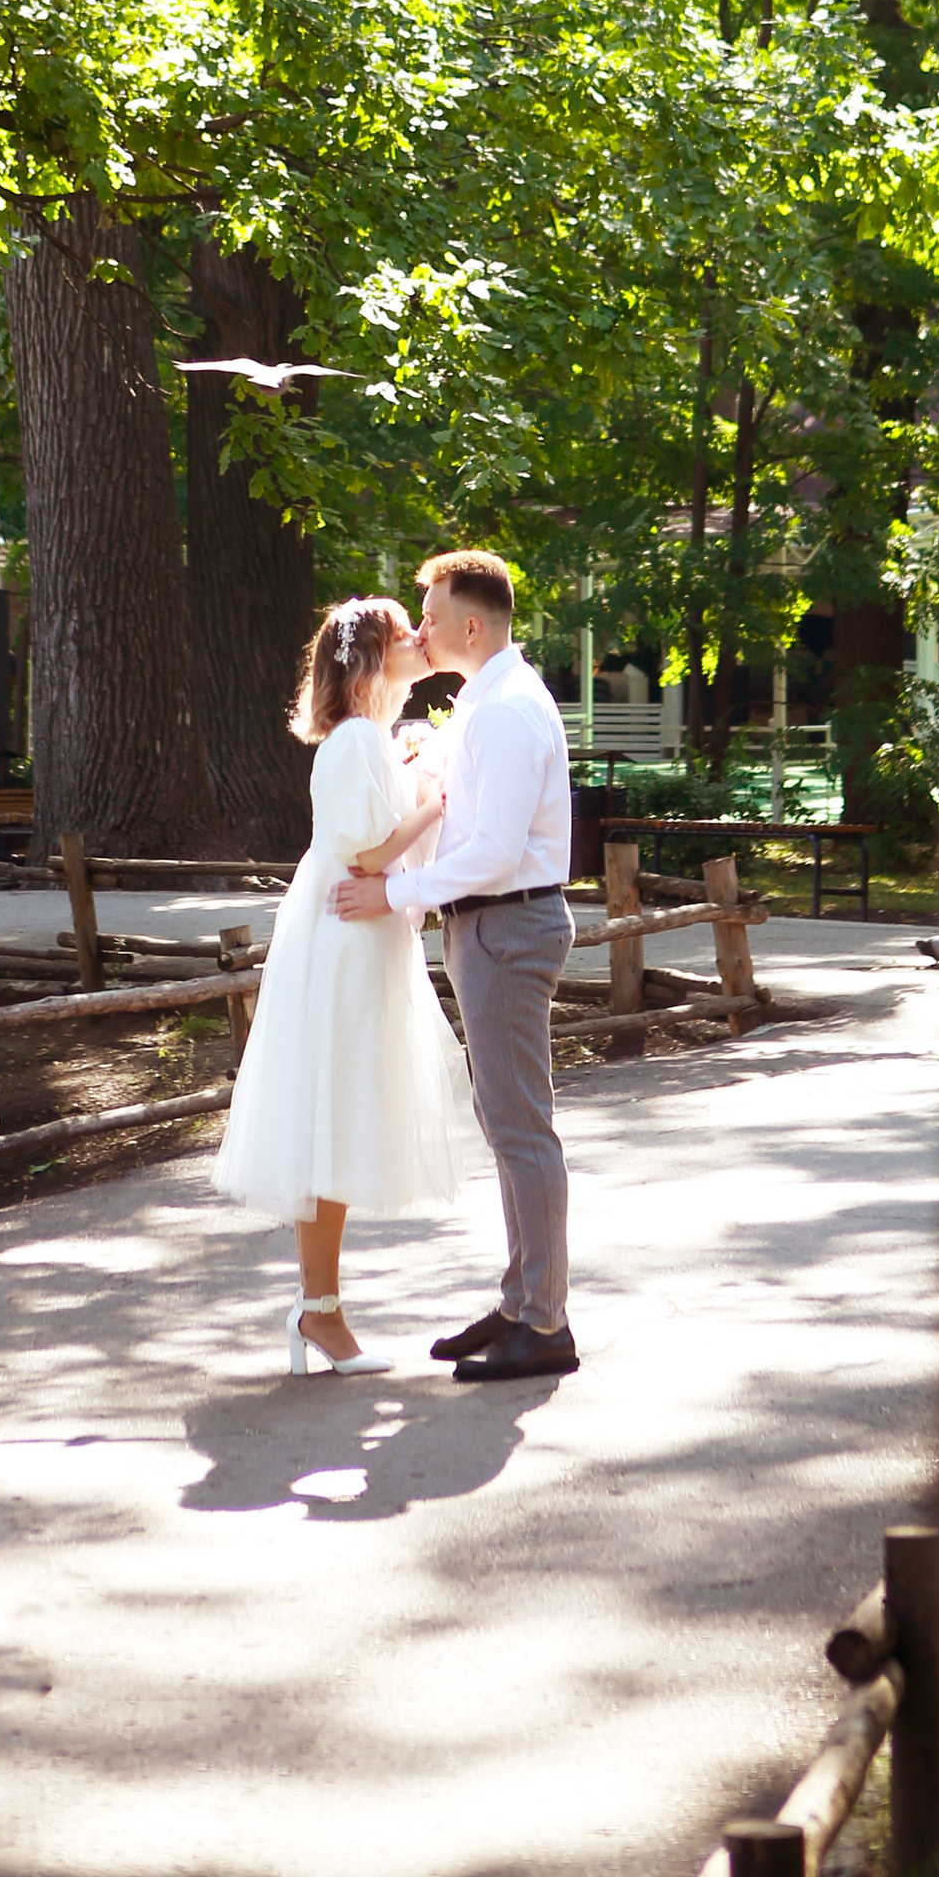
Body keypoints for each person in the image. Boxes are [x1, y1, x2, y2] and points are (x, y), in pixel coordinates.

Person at [212, 593, 486, 1373]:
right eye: (405, 634)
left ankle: (318, 1307)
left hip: (352, 933)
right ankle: (319, 1311)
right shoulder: (358, 740)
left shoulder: (366, 739)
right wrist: (435, 804)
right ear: (370, 659)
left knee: (335, 1118)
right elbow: (369, 855)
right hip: (345, 937)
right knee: (331, 1118)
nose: (420, 640)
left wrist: (418, 778)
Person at [332, 545, 578, 1383]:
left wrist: (394, 892)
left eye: (431, 617)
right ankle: (521, 1301)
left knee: (521, 1128)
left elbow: (495, 852)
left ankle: (545, 1322)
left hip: (508, 924)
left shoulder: (507, 709)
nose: (421, 630)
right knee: (506, 1121)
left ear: (472, 627)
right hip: (488, 927)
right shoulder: (485, 702)